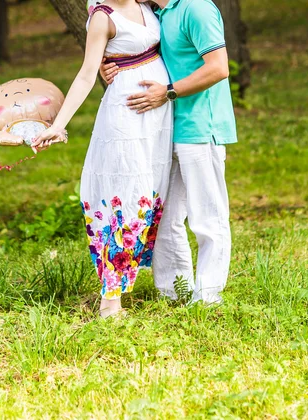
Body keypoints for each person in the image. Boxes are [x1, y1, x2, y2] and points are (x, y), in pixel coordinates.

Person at [33, 0, 173, 318]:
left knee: (150, 191)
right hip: (126, 114)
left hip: (156, 116)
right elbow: (85, 75)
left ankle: (152, 279)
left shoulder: (144, 3)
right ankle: (110, 302)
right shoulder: (102, 17)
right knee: (121, 198)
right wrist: (58, 125)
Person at [101, 0, 237, 304]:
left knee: (207, 217)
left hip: (202, 127)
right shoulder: (155, 14)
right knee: (164, 217)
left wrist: (169, 91)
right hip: (166, 128)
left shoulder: (196, 8)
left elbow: (218, 67)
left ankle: (207, 298)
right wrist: (109, 65)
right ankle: (176, 292)